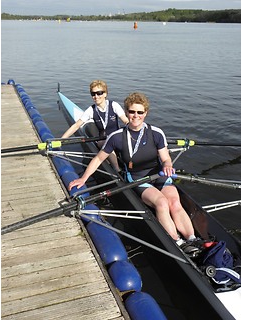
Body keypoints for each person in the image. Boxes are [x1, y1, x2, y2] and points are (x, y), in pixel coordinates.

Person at [68, 92, 201, 256]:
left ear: (145, 113)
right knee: (161, 203)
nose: (135, 116)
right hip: (137, 178)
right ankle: (177, 242)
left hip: (158, 173)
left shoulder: (156, 133)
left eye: (140, 112)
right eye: (132, 112)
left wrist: (167, 166)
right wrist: (83, 178)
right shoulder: (116, 137)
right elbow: (97, 159)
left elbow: (166, 158)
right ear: (126, 112)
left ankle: (192, 239)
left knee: (174, 201)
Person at [61, 80, 129, 172]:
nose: (96, 96)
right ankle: (117, 169)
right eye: (93, 94)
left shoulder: (114, 105)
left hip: (116, 137)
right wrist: (62, 139)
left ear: (105, 94)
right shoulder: (91, 110)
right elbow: (77, 125)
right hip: (102, 140)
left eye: (99, 93)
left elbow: (125, 120)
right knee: (108, 142)